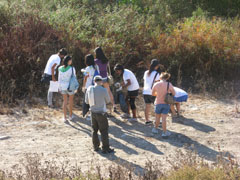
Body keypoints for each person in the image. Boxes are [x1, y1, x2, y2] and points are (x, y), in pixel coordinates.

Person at [85, 75, 114, 154]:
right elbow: (108, 101)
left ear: (94, 81)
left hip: (93, 112)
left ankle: (96, 146)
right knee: (104, 131)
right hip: (101, 113)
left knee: (94, 130)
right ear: (101, 82)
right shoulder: (103, 90)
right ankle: (105, 148)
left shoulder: (89, 89)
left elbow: (86, 102)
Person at [152, 72, 175, 138]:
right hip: (166, 103)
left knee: (157, 117)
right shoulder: (169, 84)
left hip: (158, 103)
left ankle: (155, 129)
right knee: (164, 119)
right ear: (167, 78)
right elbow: (174, 93)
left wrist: (158, 94)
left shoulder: (156, 84)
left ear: (160, 77)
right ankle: (164, 132)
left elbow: (153, 94)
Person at [94, 47, 116, 112]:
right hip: (105, 77)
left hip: (99, 78)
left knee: (99, 92)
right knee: (109, 92)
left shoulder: (95, 61)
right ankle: (114, 105)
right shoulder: (106, 60)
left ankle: (102, 107)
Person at [58, 56, 76, 123]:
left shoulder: (60, 68)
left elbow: (59, 78)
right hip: (70, 86)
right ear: (69, 61)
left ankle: (65, 117)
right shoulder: (72, 69)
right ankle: (70, 116)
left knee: (65, 101)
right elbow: (74, 78)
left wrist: (59, 87)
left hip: (62, 86)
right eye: (71, 60)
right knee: (71, 100)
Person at [143, 59, 161, 125]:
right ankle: (157, 120)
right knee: (156, 106)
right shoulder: (156, 73)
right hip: (153, 92)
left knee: (147, 106)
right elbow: (157, 84)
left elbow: (145, 81)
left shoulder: (146, 72)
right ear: (157, 66)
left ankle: (147, 120)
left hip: (145, 91)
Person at [82, 54, 100, 120]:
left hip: (88, 87)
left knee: (87, 101)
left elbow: (85, 78)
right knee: (93, 101)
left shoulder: (87, 68)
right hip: (95, 86)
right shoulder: (96, 67)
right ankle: (93, 114)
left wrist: (83, 86)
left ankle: (88, 114)